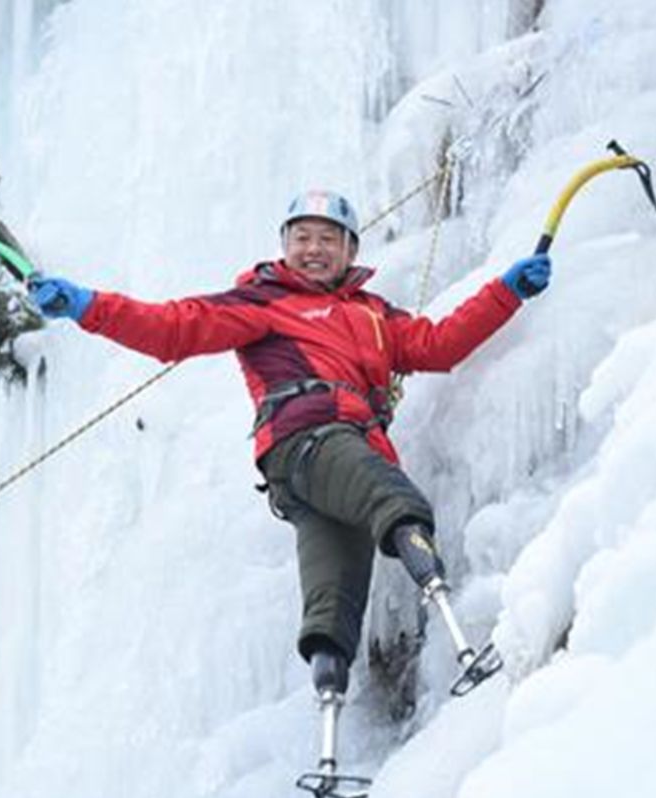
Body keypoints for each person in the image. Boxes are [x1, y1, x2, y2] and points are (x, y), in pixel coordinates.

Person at [29, 189, 548, 746]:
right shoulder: (262, 302)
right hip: (308, 439)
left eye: (328, 239)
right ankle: (464, 643)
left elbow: (437, 345)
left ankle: (327, 752)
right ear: (283, 246)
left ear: (350, 249)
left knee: (334, 602)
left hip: (333, 463)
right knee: (394, 503)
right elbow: (175, 327)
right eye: (301, 238)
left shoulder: (374, 315)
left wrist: (507, 292)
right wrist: (87, 306)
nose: (313, 249)